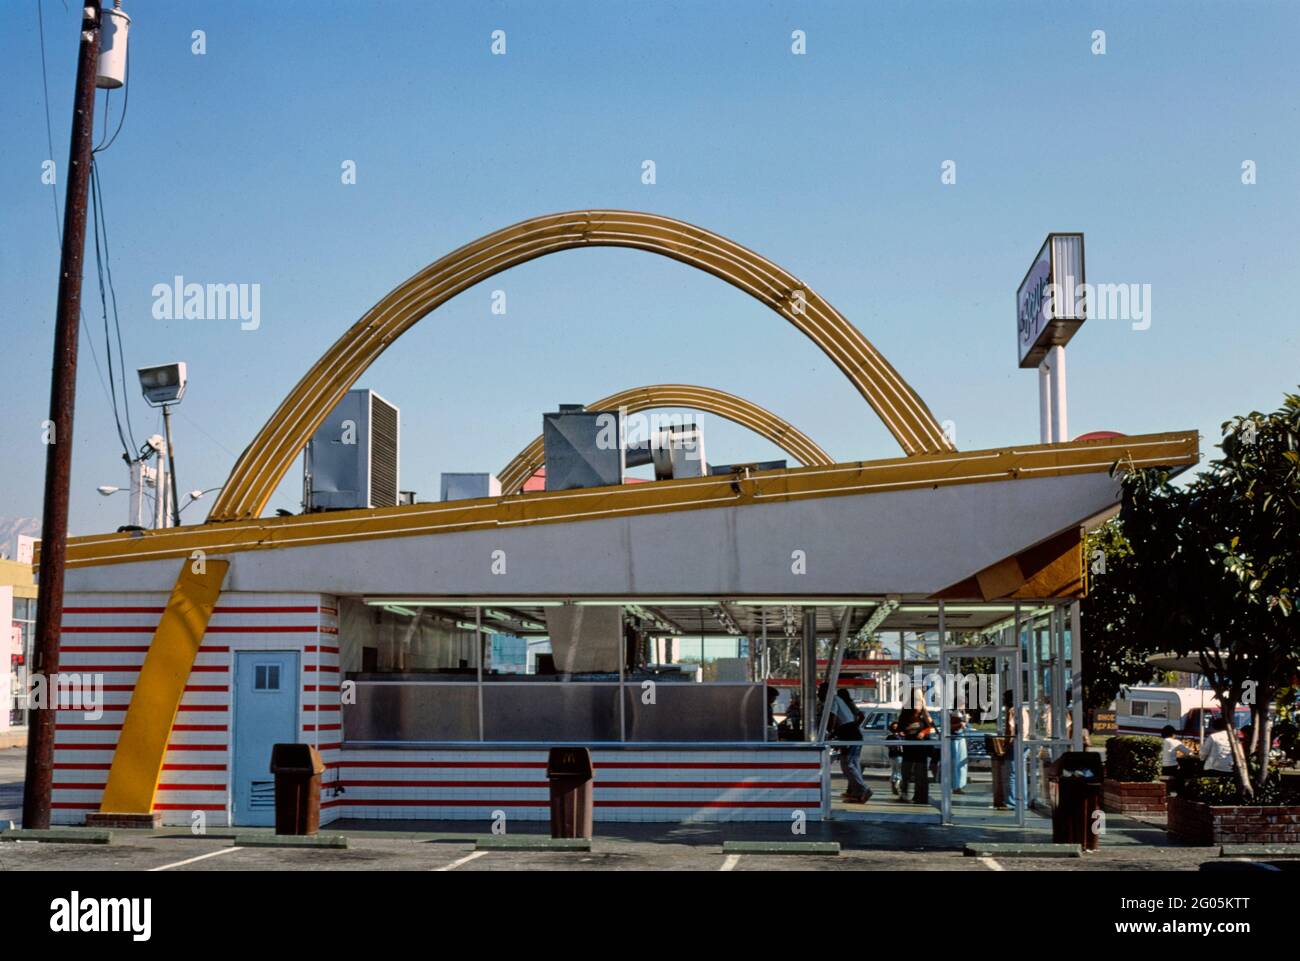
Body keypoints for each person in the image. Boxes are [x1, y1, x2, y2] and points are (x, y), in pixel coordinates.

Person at [819, 681, 871, 803]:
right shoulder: (836, 699)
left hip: (850, 734)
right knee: (852, 764)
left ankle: (863, 789)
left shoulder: (832, 700)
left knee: (848, 764)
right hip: (851, 733)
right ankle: (857, 793)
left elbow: (831, 718)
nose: (818, 694)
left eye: (820, 691)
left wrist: (827, 733)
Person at [897, 691, 934, 804]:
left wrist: (923, 732)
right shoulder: (905, 716)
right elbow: (899, 729)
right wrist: (903, 732)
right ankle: (904, 793)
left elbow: (931, 727)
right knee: (906, 772)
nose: (918, 709)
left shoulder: (923, 716)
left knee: (921, 774)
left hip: (921, 749)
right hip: (909, 748)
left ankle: (921, 796)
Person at [950, 711, 970, 794]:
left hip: (961, 738)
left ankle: (960, 785)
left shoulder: (962, 712)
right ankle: (955, 786)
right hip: (953, 739)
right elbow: (950, 727)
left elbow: (965, 726)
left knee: (962, 763)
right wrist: (961, 723)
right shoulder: (952, 713)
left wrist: (966, 721)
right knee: (955, 763)